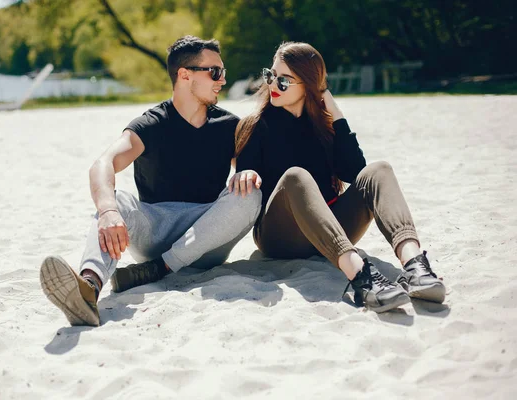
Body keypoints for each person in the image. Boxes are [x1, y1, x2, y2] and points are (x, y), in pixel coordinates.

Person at [40, 36, 262, 326]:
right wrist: (107, 211)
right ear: (185, 75)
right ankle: (88, 288)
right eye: (215, 72)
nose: (222, 80)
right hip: (154, 232)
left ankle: (161, 268)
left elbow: (257, 165)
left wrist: (249, 169)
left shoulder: (229, 126)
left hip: (206, 239)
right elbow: (103, 164)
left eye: (223, 73)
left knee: (250, 192)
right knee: (116, 200)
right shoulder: (152, 123)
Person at [230, 42, 445, 313]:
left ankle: (416, 266)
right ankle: (361, 277)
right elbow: (245, 180)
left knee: (380, 170)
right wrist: (246, 172)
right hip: (280, 236)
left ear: (308, 85)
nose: (273, 84)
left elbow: (356, 173)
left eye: (283, 80)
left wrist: (338, 118)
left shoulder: (323, 126)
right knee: (296, 176)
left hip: (332, 230)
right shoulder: (255, 126)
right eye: (270, 75)